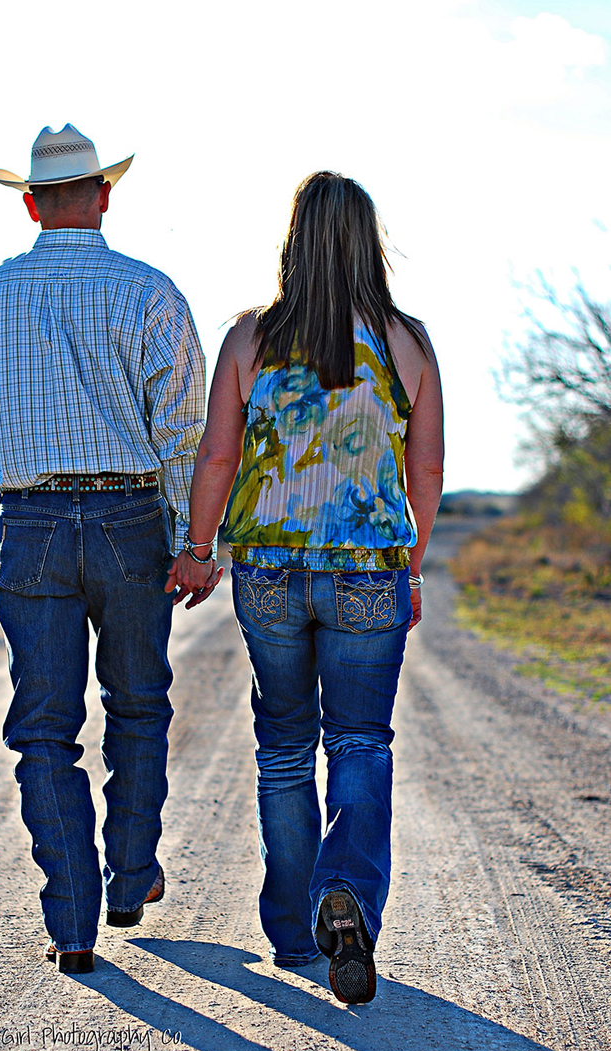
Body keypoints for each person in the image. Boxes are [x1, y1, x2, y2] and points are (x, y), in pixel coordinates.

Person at [166, 171, 444, 1004]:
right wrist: (413, 561)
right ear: (370, 243)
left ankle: (295, 935)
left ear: (295, 241)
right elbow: (423, 467)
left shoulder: (252, 338)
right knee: (360, 741)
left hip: (271, 572)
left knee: (285, 747)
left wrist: (198, 545)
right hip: (369, 571)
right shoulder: (408, 342)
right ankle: (347, 896)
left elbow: (218, 456)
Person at [0, 124, 212, 974]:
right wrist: (189, 538)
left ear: (29, 203)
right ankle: (130, 876)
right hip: (131, 517)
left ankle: (72, 922)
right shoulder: (151, 292)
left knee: (43, 729)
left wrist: (16, 506)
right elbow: (183, 431)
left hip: (30, 524)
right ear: (103, 194)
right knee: (137, 703)